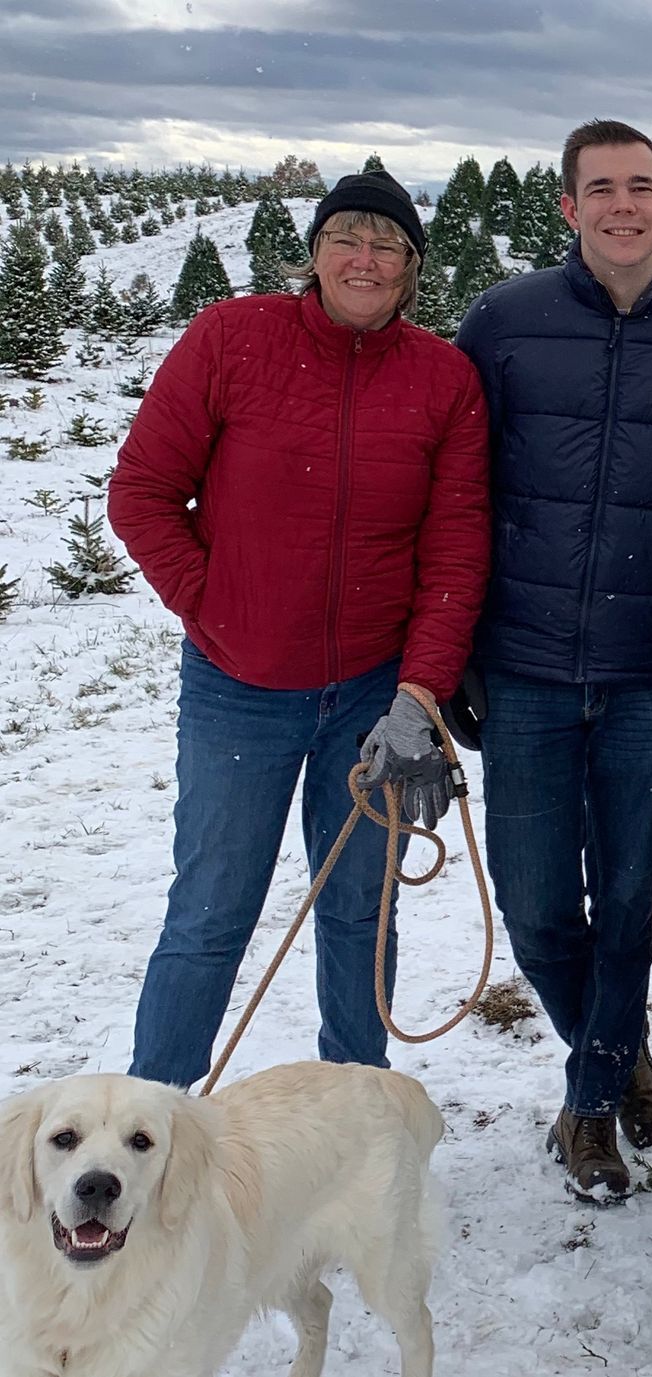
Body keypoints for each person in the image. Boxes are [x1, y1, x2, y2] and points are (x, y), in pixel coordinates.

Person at [108, 169, 490, 1089]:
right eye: (347, 238)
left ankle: (354, 1120)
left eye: (388, 244)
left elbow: (455, 552)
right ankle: (155, 1129)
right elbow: (143, 492)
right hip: (237, 687)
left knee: (361, 911)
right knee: (209, 911)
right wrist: (216, 605)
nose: (366, 258)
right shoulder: (232, 339)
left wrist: (419, 694)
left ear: (411, 269)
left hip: (372, 691)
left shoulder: (444, 380)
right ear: (314, 253)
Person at [455, 118, 652, 1202]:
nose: (623, 205)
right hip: (525, 668)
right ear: (568, 207)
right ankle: (618, 1054)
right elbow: (452, 488)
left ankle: (585, 1111)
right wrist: (445, 656)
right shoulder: (503, 324)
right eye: (601, 188)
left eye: (643, 186)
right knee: (538, 905)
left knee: (626, 903)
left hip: (648, 672)